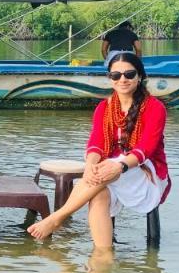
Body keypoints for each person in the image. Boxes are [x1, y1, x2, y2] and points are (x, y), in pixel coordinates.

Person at [27, 52, 170, 248]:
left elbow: (146, 147)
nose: (123, 80)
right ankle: (103, 257)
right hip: (109, 173)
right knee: (98, 192)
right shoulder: (104, 108)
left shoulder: (155, 108)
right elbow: (97, 142)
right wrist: (90, 165)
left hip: (146, 174)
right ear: (110, 79)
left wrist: (119, 166)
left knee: (107, 169)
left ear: (140, 76)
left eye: (129, 74)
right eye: (116, 75)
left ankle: (57, 217)